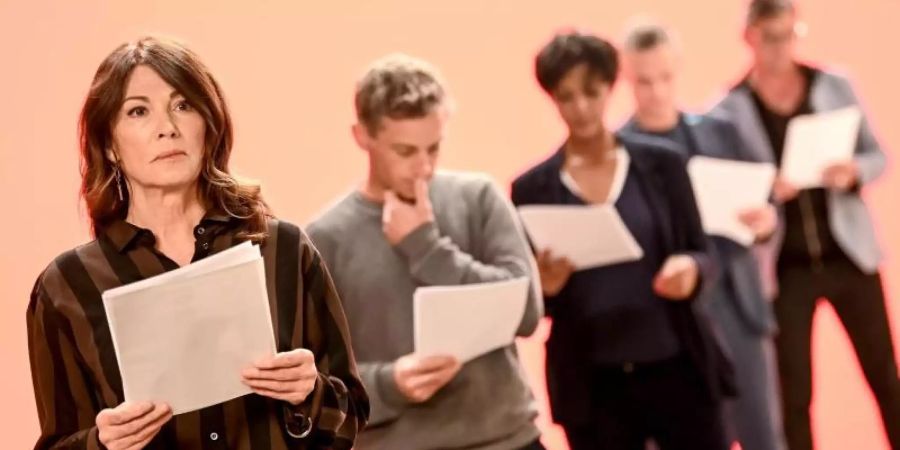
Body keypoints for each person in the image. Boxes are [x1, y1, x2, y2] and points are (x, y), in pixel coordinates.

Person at [26, 36, 368, 450]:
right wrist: (103, 443)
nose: (167, 128)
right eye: (138, 112)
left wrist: (309, 392)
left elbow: (350, 422)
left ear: (208, 125)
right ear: (110, 146)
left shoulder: (284, 250)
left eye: (183, 105)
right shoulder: (67, 286)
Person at [306, 53, 545, 450]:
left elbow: (525, 314)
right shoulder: (322, 238)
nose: (423, 168)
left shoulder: (479, 198)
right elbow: (313, 380)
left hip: (509, 440)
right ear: (362, 135)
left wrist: (426, 246)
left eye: (433, 148)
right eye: (405, 151)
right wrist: (389, 382)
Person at [510, 31, 734, 450]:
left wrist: (691, 270)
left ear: (611, 88)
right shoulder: (531, 188)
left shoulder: (662, 163)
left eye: (591, 93)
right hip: (595, 386)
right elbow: (533, 301)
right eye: (566, 96)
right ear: (552, 97)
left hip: (677, 366)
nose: (580, 108)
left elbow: (703, 252)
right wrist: (546, 287)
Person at [710, 1, 900, 449]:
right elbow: (729, 193)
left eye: (789, 34)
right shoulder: (729, 109)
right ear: (749, 37)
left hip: (848, 255)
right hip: (786, 268)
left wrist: (852, 171)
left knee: (885, 376)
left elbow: (878, 156)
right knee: (793, 393)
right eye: (769, 37)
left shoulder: (833, 84)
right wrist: (765, 190)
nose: (780, 48)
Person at [618, 22, 786, 450]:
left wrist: (765, 224)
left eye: (665, 77)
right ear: (626, 78)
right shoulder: (618, 151)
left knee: (762, 433)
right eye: (644, 81)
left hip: (737, 303)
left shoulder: (721, 131)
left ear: (679, 69)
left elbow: (767, 203)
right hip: (672, 318)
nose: (656, 91)